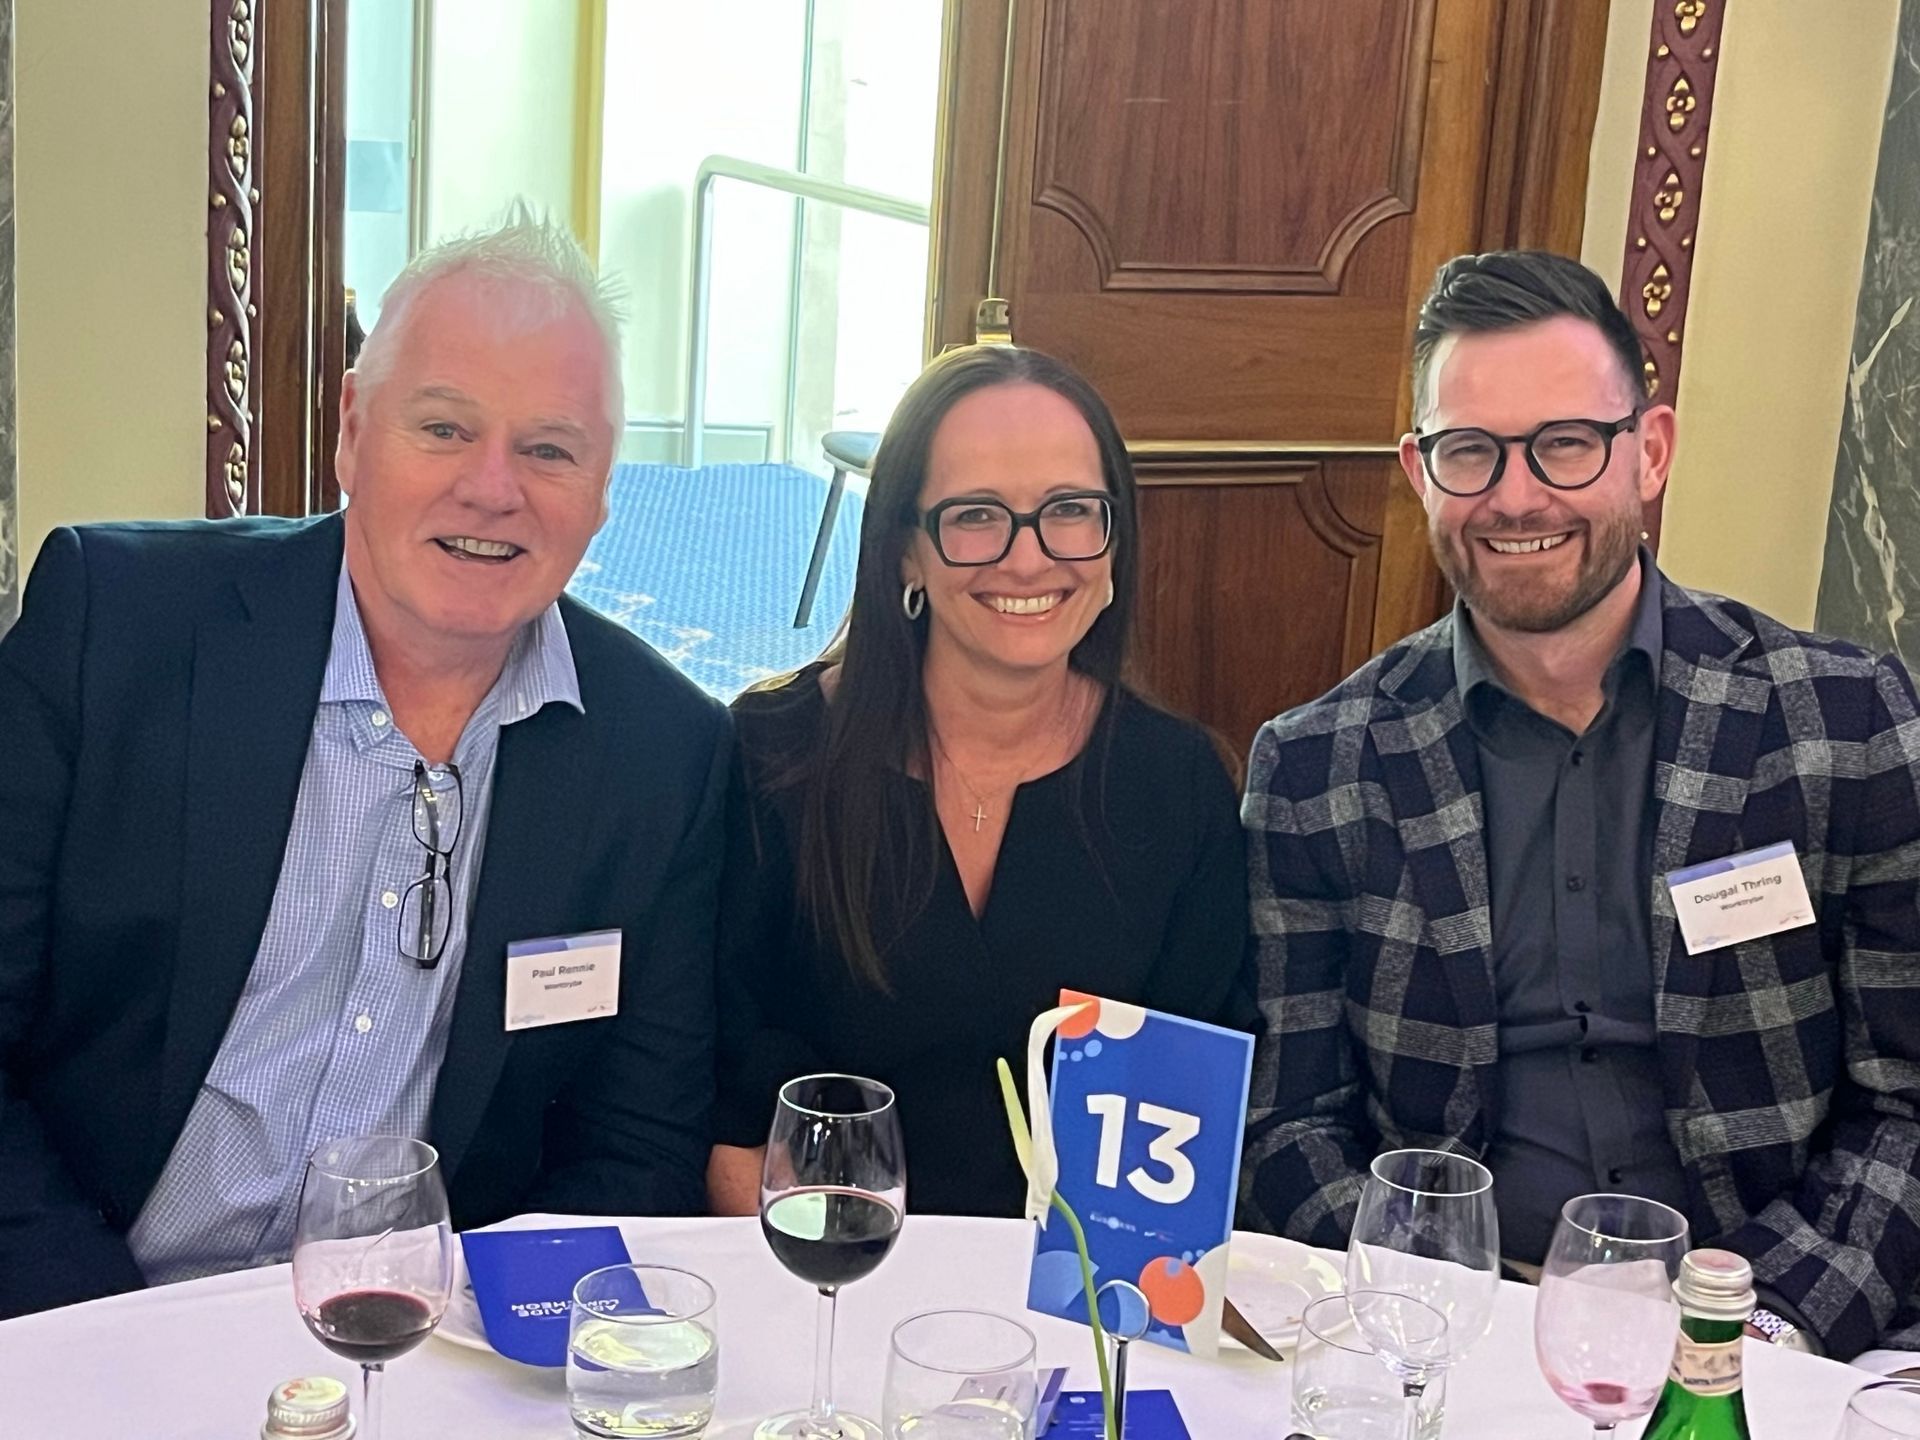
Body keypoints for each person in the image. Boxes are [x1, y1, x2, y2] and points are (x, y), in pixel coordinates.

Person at [0, 213, 730, 1319]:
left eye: (549, 448)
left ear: (603, 488)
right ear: (352, 430)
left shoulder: (664, 752)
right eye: (443, 428)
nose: (494, 489)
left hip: (423, 1350)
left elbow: (635, 1147)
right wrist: (108, 1343)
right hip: (87, 1311)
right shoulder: (112, 628)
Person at [1241, 249, 1920, 1361]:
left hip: (1774, 1325)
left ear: (1648, 451)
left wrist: (1757, 1333)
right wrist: (1418, 1317)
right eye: (1471, 452)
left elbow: (1906, 1107)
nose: (1516, 495)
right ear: (1420, 472)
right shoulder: (1318, 768)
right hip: (1447, 1331)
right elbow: (1290, 1127)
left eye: (1565, 442)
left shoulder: (1847, 726)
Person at [707, 345, 1249, 1217]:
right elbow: (732, 1117)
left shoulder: (1179, 786)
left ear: (1114, 548)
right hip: (832, 1276)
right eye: (975, 516)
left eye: (1070, 511)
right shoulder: (770, 757)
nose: (1028, 559)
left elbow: (1179, 1140)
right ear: (904, 556)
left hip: (1081, 1300)